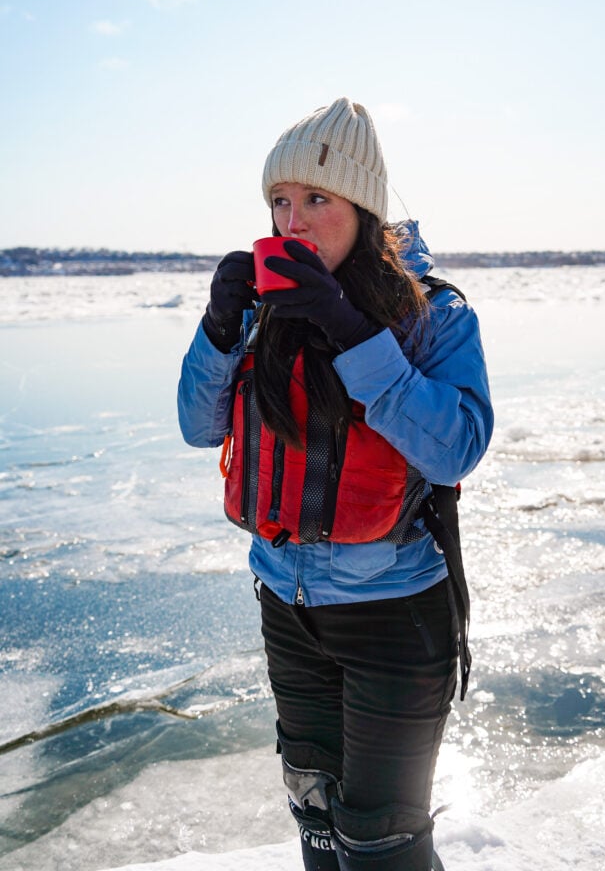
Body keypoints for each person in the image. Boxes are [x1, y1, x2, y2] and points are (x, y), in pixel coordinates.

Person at [178, 97, 494, 871]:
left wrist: (352, 333)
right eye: (280, 202)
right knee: (315, 815)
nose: (293, 220)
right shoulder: (262, 312)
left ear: (362, 208)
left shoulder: (434, 316)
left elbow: (453, 449)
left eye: (316, 199)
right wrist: (219, 329)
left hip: (393, 614)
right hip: (286, 605)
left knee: (380, 840)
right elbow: (197, 425)